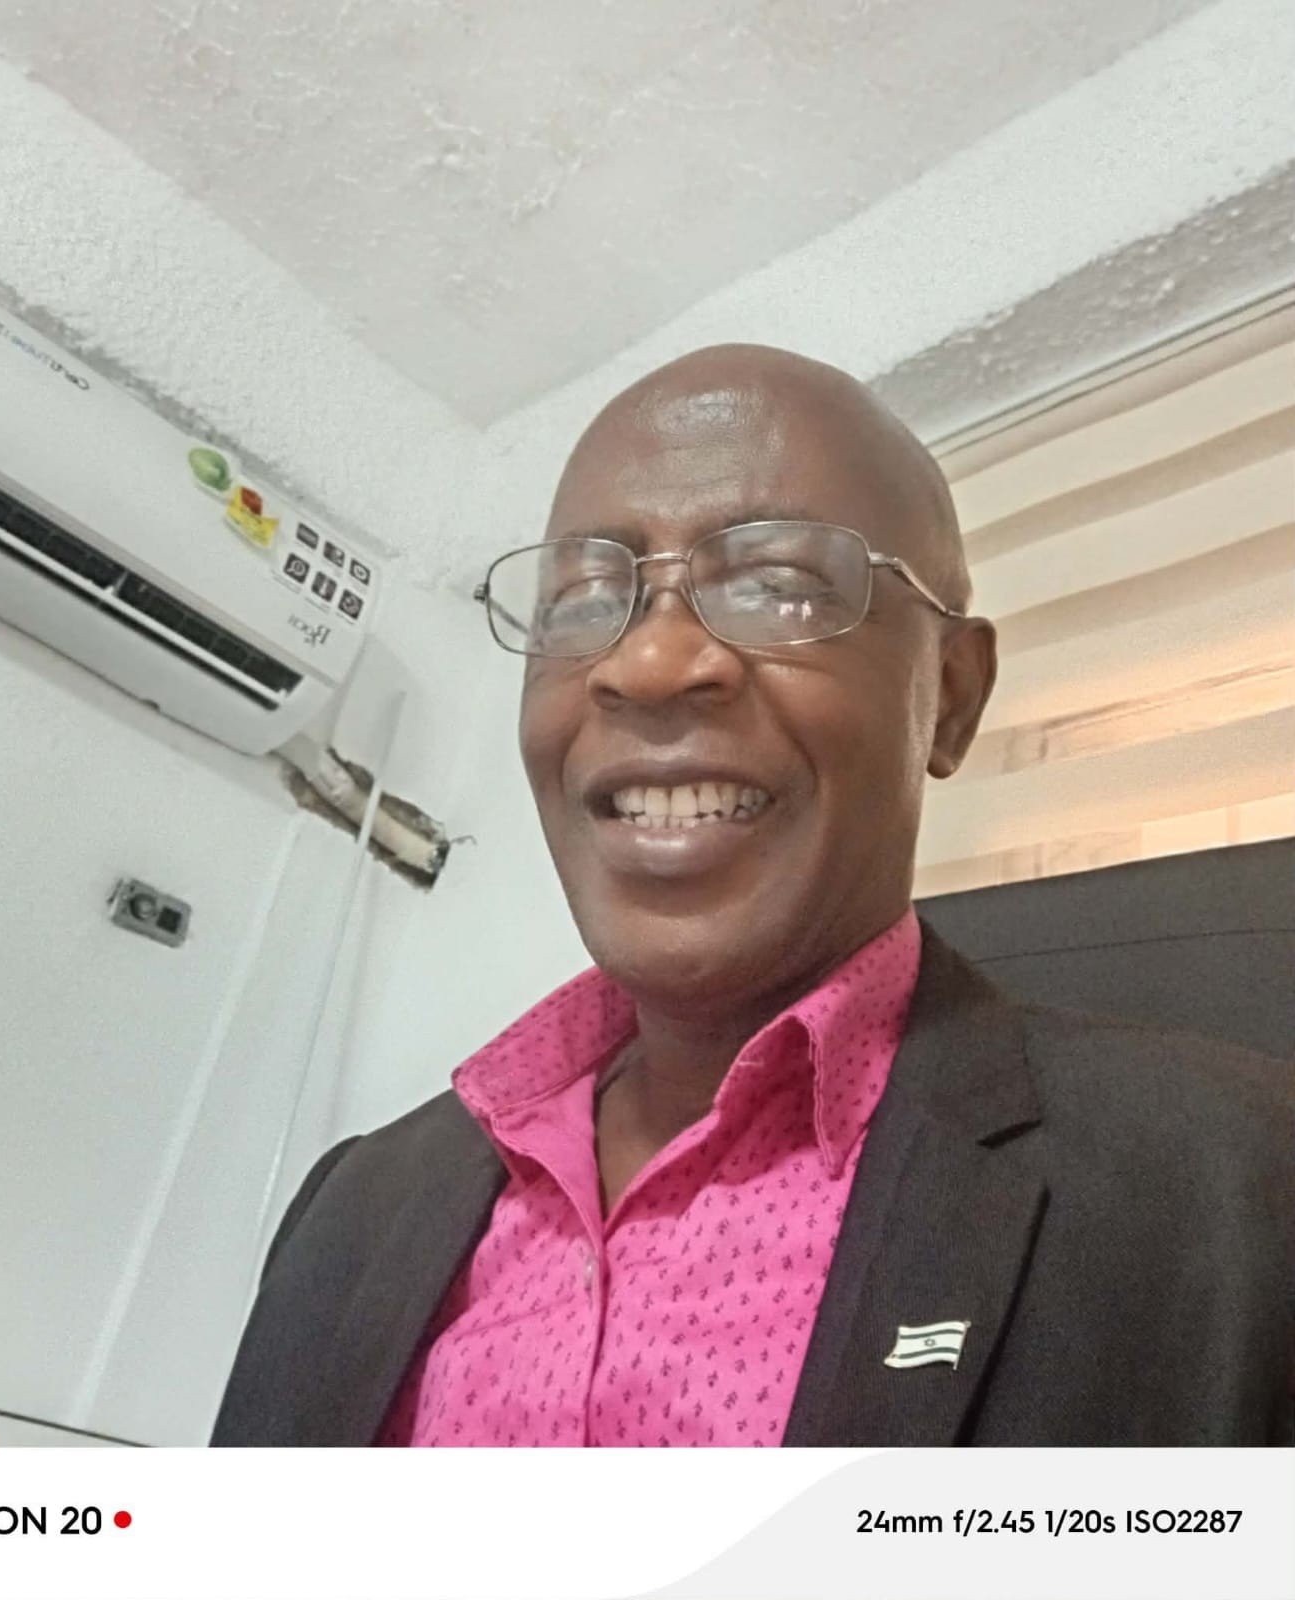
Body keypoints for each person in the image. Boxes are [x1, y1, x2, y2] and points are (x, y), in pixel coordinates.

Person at [213, 345, 1294, 1447]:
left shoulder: (1233, 1187)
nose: (645, 663)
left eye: (778, 585)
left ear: (952, 697)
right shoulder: (348, 1207)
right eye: (584, 599)